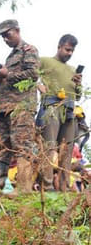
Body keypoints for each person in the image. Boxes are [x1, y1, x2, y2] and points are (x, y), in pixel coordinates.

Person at [0, 19, 40, 195]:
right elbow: (9, 82)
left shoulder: (29, 50)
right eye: (2, 37)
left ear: (17, 31)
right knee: (1, 149)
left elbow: (33, 75)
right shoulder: (9, 58)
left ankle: (24, 188)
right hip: (5, 110)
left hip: (22, 108)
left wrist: (6, 74)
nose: (5, 39)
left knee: (22, 145)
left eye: (7, 35)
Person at [37, 35, 83, 192]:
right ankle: (47, 187)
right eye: (67, 49)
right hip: (51, 106)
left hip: (70, 110)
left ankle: (64, 188)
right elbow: (29, 74)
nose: (70, 53)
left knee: (67, 151)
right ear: (59, 46)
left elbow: (78, 96)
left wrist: (78, 84)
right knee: (49, 148)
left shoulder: (72, 70)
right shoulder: (45, 61)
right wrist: (37, 85)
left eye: (72, 51)